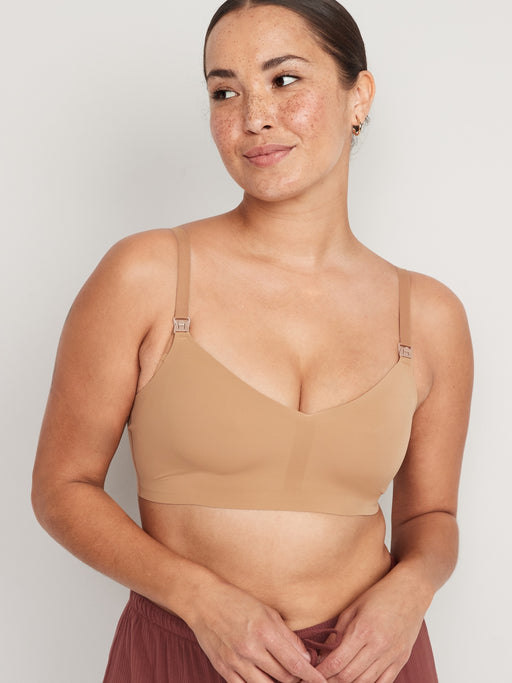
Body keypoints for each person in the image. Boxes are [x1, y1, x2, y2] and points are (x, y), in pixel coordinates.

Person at [31, 1, 473, 681]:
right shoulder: (146, 275)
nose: (254, 116)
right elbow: (62, 488)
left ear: (359, 97)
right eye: (224, 91)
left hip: (372, 661)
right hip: (185, 649)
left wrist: (412, 591)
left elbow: (433, 516)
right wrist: (199, 600)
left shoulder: (430, 315)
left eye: (284, 80)